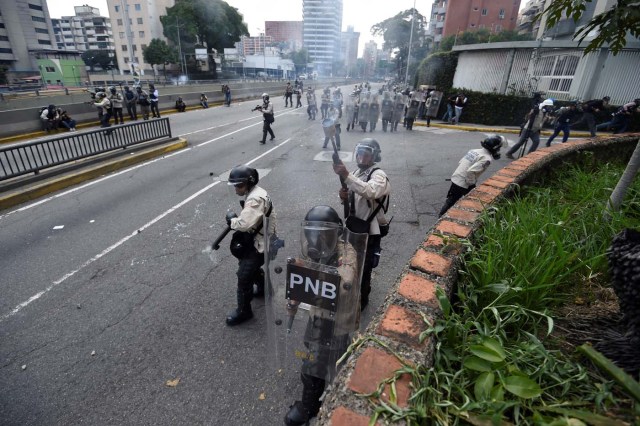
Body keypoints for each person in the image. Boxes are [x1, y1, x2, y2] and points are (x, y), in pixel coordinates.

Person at [283, 205, 359, 426]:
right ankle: (317, 397)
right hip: (318, 310)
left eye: (324, 234)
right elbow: (300, 273)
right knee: (313, 350)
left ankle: (311, 407)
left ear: (336, 233)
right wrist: (294, 292)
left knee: (324, 363)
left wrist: (313, 277)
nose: (318, 238)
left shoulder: (346, 254)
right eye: (313, 233)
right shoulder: (311, 248)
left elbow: (344, 281)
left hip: (339, 316)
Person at [333, 138, 391, 309]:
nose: (362, 158)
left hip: (369, 230)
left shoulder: (379, 175)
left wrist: (345, 175)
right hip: (354, 226)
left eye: (366, 155)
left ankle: (361, 300)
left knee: (364, 268)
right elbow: (354, 193)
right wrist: (343, 196)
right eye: (360, 154)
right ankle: (349, 291)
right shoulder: (357, 173)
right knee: (350, 262)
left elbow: (370, 191)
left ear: (374, 157)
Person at [225, 165, 276, 326]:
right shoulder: (257, 192)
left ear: (249, 182)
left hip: (261, 244)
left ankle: (244, 311)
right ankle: (264, 289)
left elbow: (244, 224)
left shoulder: (255, 198)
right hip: (263, 240)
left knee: (244, 275)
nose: (236, 189)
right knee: (251, 267)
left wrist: (231, 220)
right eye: (235, 185)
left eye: (239, 185)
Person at [439, 135, 506, 216]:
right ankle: (443, 216)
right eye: (499, 148)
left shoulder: (474, 151)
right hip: (464, 182)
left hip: (457, 177)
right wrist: (471, 184)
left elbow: (461, 162)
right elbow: (470, 172)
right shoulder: (486, 158)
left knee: (452, 199)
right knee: (472, 199)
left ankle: (444, 215)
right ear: (495, 148)